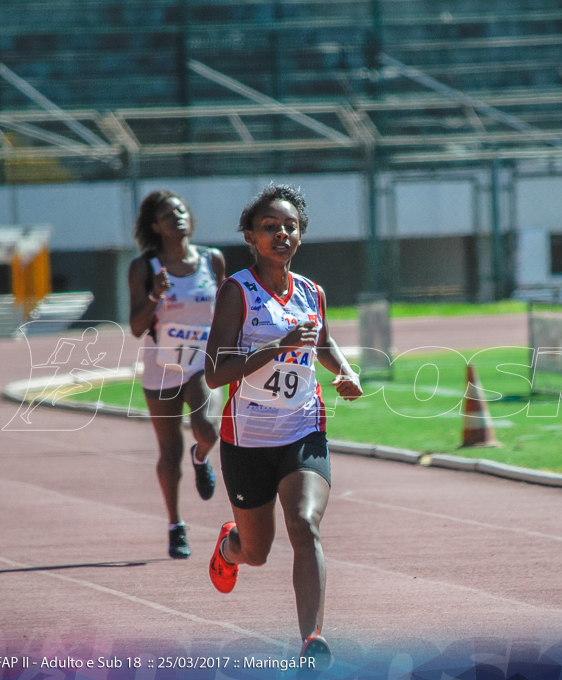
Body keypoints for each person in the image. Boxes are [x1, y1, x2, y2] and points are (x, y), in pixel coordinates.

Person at [204, 183, 361, 670]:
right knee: (257, 551)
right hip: (247, 439)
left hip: (302, 429)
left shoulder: (312, 292)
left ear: (301, 235)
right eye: (270, 227)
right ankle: (229, 547)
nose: (282, 233)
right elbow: (215, 372)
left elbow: (322, 346)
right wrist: (278, 345)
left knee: (305, 524)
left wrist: (347, 371)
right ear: (251, 236)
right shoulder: (237, 292)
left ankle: (312, 638)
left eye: (290, 226)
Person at [127, 189, 226, 559]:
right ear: (155, 226)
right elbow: (136, 327)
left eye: (181, 210)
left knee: (206, 428)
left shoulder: (211, 260)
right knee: (169, 452)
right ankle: (175, 524)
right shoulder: (144, 267)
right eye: (168, 214)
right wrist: (154, 296)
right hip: (162, 365)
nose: (177, 217)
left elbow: (228, 309)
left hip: (201, 361)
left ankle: (201, 458)